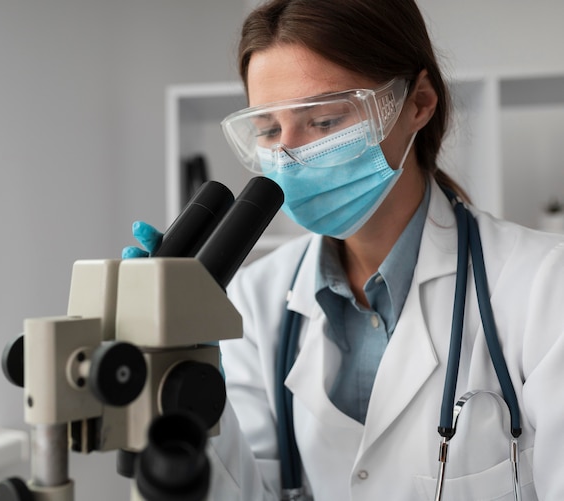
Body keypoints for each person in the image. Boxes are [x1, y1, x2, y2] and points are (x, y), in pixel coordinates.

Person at [124, 0, 564, 499]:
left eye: (325, 122)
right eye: (269, 130)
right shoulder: (252, 301)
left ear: (418, 102)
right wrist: (188, 379)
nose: (289, 158)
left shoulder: (545, 287)